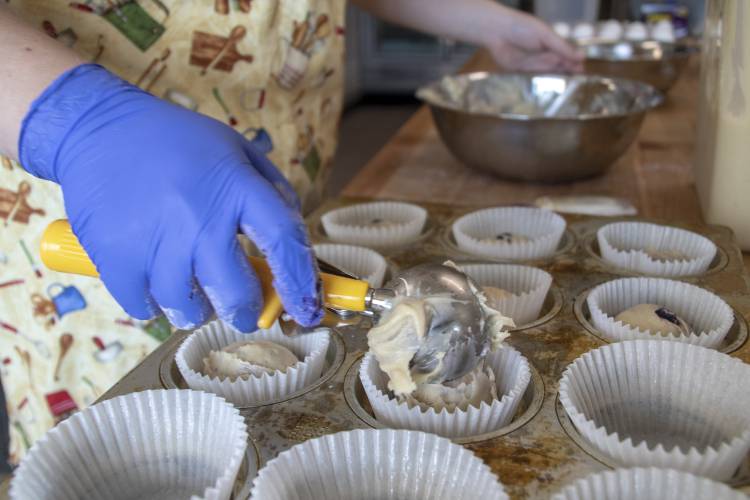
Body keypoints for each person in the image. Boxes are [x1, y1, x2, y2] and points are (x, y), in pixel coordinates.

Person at [0, 1, 581, 465]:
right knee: (126, 458)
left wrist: (481, 18)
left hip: (276, 194)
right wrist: (75, 119)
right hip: (96, 211)